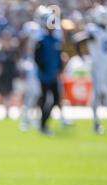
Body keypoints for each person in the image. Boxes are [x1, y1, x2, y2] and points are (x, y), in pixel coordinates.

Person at [75, 5, 107, 134]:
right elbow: (78, 40)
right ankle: (96, 122)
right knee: (98, 94)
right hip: (98, 66)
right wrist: (82, 57)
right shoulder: (93, 30)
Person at [34, 8, 63, 136]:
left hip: (53, 75)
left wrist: (59, 69)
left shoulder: (57, 40)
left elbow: (59, 56)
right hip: (44, 76)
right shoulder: (41, 39)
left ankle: (44, 122)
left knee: (56, 100)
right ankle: (42, 124)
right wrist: (43, 68)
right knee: (45, 100)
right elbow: (37, 57)